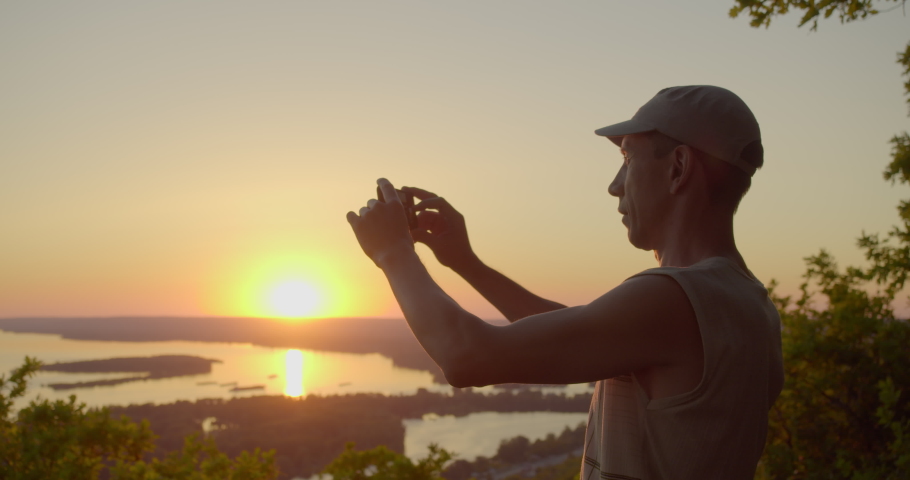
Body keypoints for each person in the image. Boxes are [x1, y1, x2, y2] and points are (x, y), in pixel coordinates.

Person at [347, 85, 784, 480]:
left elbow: (467, 356)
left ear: (679, 167)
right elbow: (577, 332)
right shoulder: (746, 303)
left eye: (627, 159)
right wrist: (466, 263)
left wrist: (393, 253)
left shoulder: (675, 299)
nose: (615, 186)